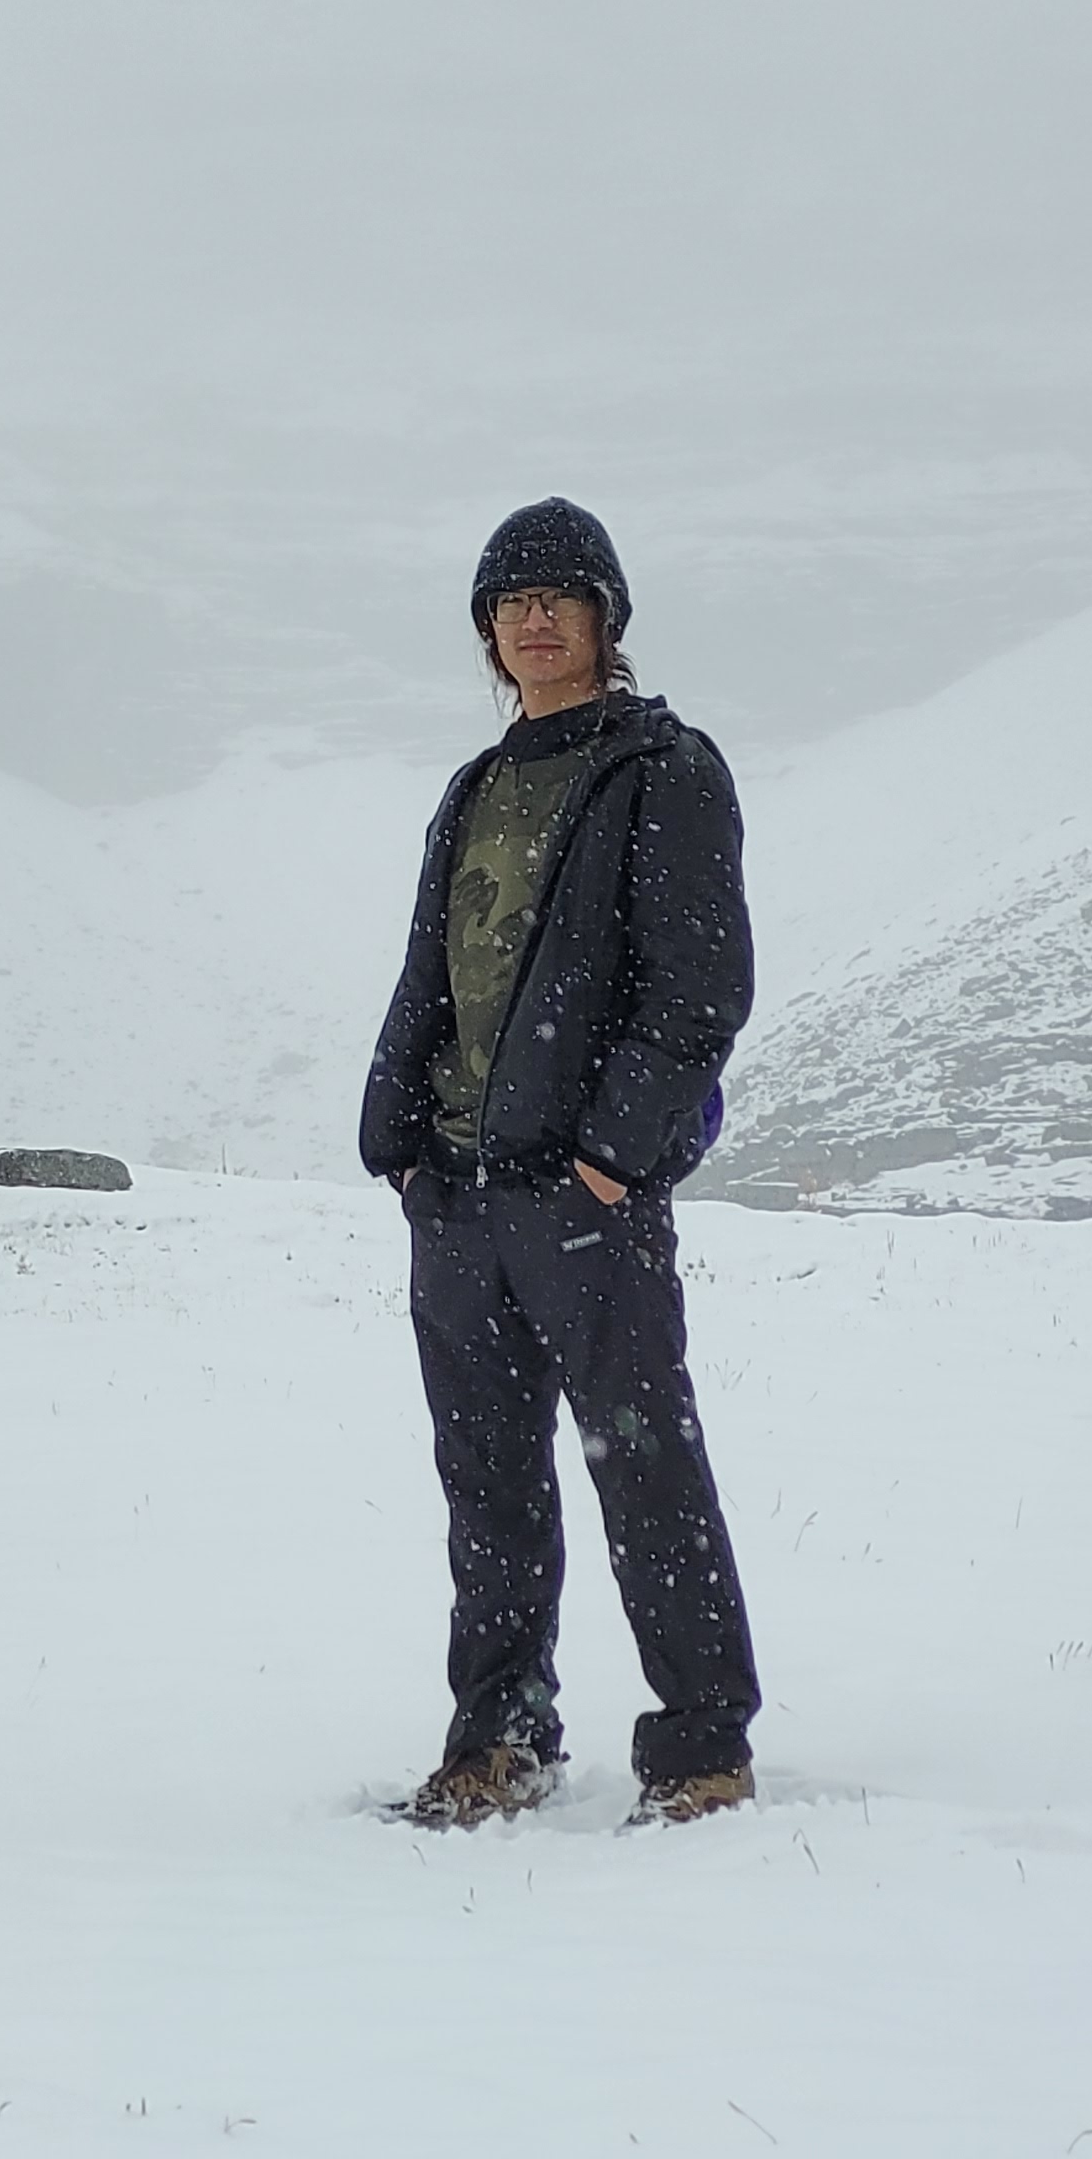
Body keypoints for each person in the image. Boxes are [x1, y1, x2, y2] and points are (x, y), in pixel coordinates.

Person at [358, 497, 763, 1829]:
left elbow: (699, 989)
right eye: (511, 601)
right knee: (485, 1485)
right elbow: (437, 971)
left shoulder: (664, 769)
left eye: (561, 597)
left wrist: (608, 1157)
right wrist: (405, 1145)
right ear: (489, 630)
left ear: (605, 622)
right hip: (459, 1200)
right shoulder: (475, 788)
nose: (534, 619)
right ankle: (502, 1742)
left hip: (582, 1203)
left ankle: (702, 1749)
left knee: (646, 1471)